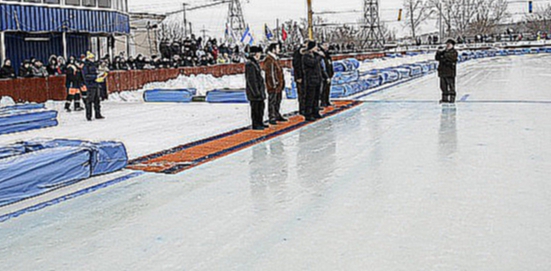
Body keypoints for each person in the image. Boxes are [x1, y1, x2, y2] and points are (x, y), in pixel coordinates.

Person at [301, 41, 326, 121]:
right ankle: (308, 113)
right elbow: (312, 63)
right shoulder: (306, 56)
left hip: (317, 79)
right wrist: (319, 56)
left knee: (316, 97)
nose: (317, 49)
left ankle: (315, 111)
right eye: (315, 47)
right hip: (310, 80)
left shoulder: (315, 56)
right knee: (310, 98)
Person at [245, 46, 268, 131]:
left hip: (259, 90)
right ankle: (256, 123)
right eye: (259, 53)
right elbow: (251, 80)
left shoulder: (255, 63)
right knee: (255, 108)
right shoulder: (250, 64)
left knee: (261, 107)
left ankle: (260, 121)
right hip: (254, 91)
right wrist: (256, 92)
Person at [263, 43, 287, 125]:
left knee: (277, 100)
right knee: (272, 100)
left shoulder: (275, 59)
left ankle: (276, 113)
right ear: (273, 49)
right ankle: (272, 116)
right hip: (273, 85)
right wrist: (274, 84)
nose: (279, 50)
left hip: (278, 84)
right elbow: (270, 73)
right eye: (278, 48)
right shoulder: (269, 59)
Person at [82, 51, 104, 121]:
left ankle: (98, 114)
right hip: (90, 85)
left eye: (93, 58)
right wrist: (95, 77)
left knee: (97, 100)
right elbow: (86, 76)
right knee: (89, 101)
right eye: (91, 58)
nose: (93, 59)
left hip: (95, 84)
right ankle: (89, 116)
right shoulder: (85, 66)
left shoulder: (93, 65)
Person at [435, 39, 459, 103]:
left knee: (451, 86)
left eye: (449, 44)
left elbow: (449, 58)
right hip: (442, 72)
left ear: (452, 45)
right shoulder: (443, 52)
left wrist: (443, 56)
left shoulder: (454, 52)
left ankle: (452, 98)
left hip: (450, 72)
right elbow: (437, 58)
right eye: (447, 44)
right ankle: (444, 98)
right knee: (443, 86)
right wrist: (438, 52)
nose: (447, 45)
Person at [293, 41, 308, 115]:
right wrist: (298, 76)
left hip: (306, 76)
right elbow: (296, 66)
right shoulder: (297, 54)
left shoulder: (306, 53)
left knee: (306, 93)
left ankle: (307, 108)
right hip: (300, 76)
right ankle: (302, 109)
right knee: (302, 94)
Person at [319, 42, 334, 107]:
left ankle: (326, 100)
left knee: (327, 88)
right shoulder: (321, 55)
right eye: (325, 45)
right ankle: (323, 101)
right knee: (323, 88)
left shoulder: (327, 55)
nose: (327, 47)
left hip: (329, 73)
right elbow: (323, 66)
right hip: (323, 75)